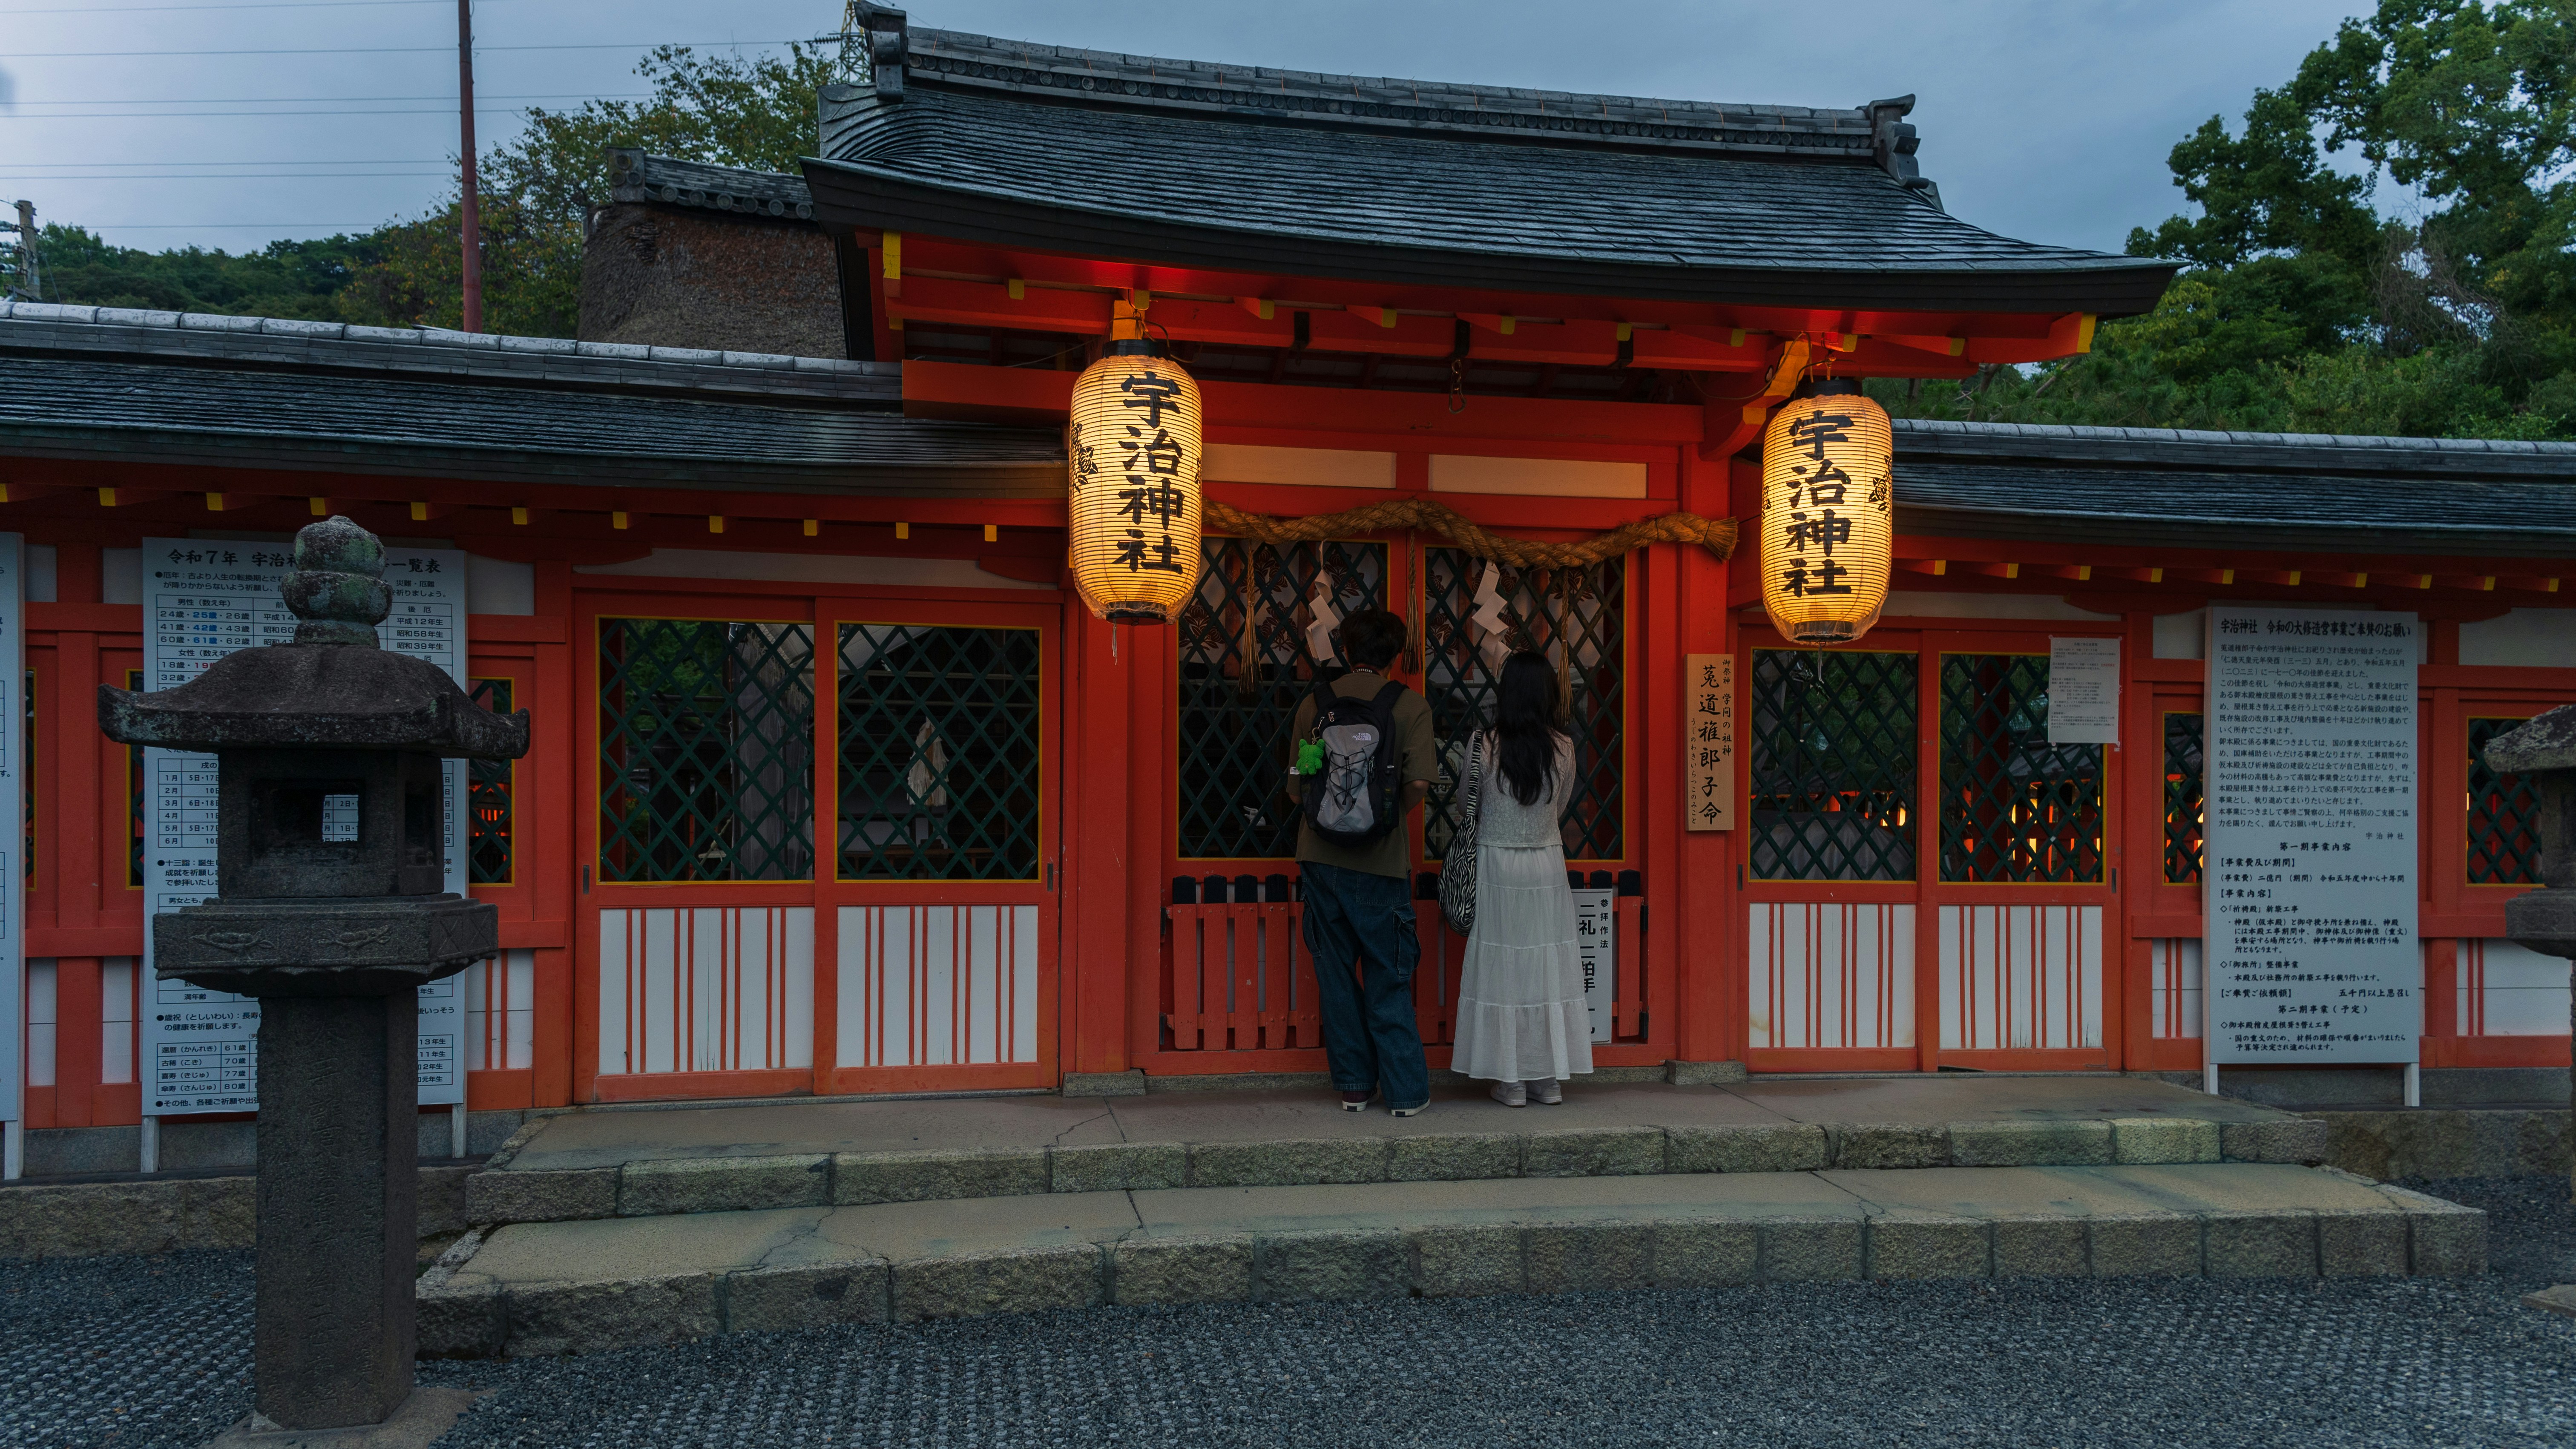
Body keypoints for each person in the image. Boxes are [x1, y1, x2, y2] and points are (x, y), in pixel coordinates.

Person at [1285, 608, 1438, 1116]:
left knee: (1334, 973)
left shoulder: (1316, 704)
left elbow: (1296, 786)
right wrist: (1383, 818)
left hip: (1319, 856)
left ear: (1347, 649)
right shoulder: (1410, 705)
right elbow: (1417, 783)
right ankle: (1405, 1093)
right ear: (1395, 655)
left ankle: (1354, 1087)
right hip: (1381, 861)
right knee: (1387, 972)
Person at [1451, 649, 1593, 1107]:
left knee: (1502, 969)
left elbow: (1463, 804)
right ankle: (1547, 1079)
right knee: (1546, 969)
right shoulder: (1565, 746)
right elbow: (1561, 804)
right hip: (1546, 865)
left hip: (1496, 864)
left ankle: (1510, 1081)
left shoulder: (1482, 744)